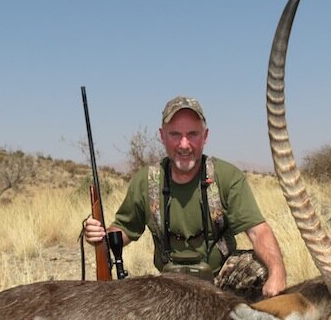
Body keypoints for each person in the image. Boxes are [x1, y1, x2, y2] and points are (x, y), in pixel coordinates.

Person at [84, 95, 286, 298]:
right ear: (162, 136)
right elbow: (125, 230)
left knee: (260, 268)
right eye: (175, 135)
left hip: (220, 285)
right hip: (167, 287)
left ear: (205, 136)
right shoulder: (146, 180)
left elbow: (258, 231)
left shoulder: (227, 176)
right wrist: (99, 234)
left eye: (192, 134)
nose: (184, 144)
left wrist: (278, 273)